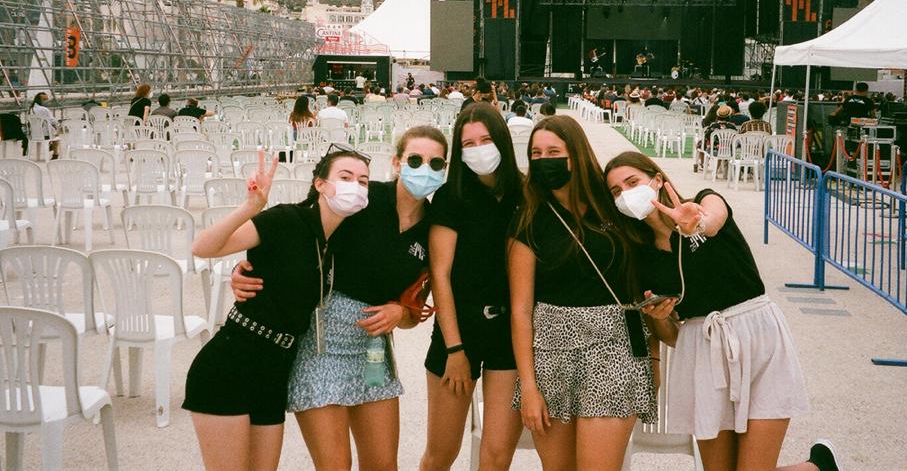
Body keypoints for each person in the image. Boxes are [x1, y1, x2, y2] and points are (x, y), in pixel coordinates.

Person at [603, 151, 841, 471]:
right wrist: (659, 317)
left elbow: (714, 218)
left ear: (657, 180)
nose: (626, 194)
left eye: (632, 182)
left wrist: (698, 223)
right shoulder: (639, 256)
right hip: (701, 351)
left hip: (757, 337)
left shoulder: (703, 201)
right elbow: (671, 335)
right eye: (616, 191)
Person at [232, 128, 448, 471]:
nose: (425, 168)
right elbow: (299, 229)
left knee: (383, 466)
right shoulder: (363, 197)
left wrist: (399, 312)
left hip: (373, 353)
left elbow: (414, 308)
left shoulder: (434, 227)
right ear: (396, 163)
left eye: (435, 163)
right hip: (321, 344)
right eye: (415, 160)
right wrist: (247, 268)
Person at [184, 148, 370, 470]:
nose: (355, 185)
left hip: (275, 373)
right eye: (345, 177)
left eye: (363, 181)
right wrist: (250, 207)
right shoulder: (286, 219)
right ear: (320, 184)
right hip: (230, 365)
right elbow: (203, 247)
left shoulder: (340, 241)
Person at [508, 116, 656, 471]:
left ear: (575, 154)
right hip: (551, 352)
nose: (544, 160)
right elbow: (521, 310)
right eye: (536, 154)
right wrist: (528, 387)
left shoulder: (612, 202)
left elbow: (663, 232)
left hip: (614, 349)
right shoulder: (529, 218)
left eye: (554, 152)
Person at [420, 104, 524, 471]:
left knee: (496, 456)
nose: (479, 149)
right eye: (468, 143)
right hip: (458, 330)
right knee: (441, 454)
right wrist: (454, 349)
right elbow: (440, 274)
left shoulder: (524, 193)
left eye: (486, 140)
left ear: (502, 141)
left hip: (508, 332)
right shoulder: (452, 196)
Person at [28, 92, 59, 159]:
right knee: (56, 134)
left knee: (49, 129)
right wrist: (57, 126)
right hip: (44, 135)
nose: (47, 101)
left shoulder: (31, 109)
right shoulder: (44, 109)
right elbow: (52, 121)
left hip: (34, 134)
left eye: (47, 99)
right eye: (45, 99)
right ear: (39, 100)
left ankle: (50, 144)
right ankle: (55, 154)